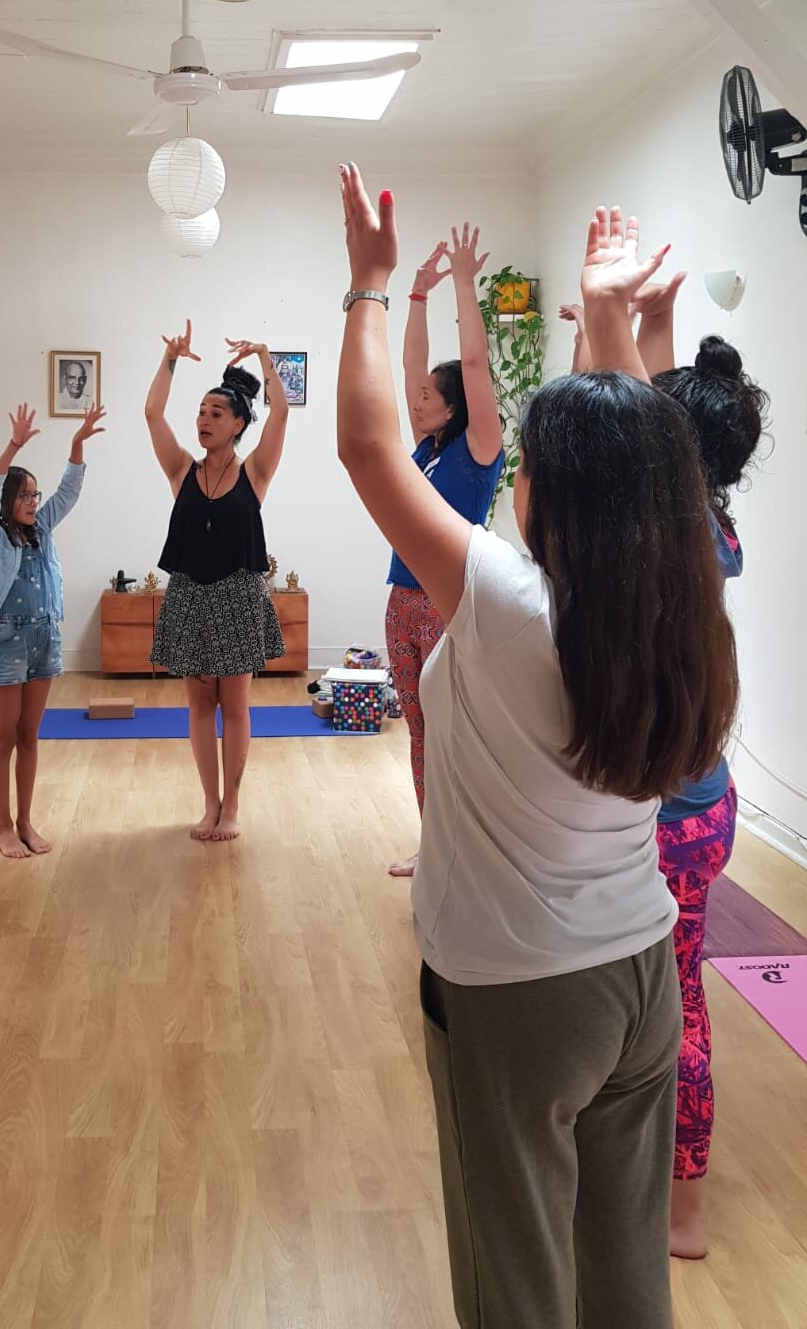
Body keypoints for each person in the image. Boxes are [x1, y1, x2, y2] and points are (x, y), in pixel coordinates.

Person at [337, 174, 739, 1329]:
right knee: (624, 1277)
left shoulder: (510, 605)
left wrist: (370, 283)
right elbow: (645, 467)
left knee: (516, 1287)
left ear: (546, 496)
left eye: (525, 467)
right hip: (640, 973)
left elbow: (367, 448)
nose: (513, 478)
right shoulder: (681, 595)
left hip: (520, 998)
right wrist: (606, 317)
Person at [627, 284, 767, 1261]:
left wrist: (621, 327)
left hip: (669, 818)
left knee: (671, 1009)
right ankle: (663, 1194)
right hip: (701, 804)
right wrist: (652, 320)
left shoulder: (661, 536)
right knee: (667, 996)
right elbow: (659, 417)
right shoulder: (709, 523)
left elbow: (641, 424)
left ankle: (682, 1211)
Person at [386, 226, 504, 877]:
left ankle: (469, 849)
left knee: (455, 731)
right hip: (403, 601)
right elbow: (411, 368)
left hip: (448, 604)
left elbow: (477, 368)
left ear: (457, 406)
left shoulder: (477, 451)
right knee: (420, 729)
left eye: (431, 393)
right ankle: (435, 844)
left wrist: (463, 284)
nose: (418, 396)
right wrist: (416, 295)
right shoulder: (426, 449)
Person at [145, 322, 288, 842]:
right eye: (201, 412)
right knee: (200, 706)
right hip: (189, 594)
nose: (203, 420)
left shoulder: (256, 472)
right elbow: (153, 414)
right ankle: (210, 803)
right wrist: (170, 360)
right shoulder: (182, 470)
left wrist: (266, 357)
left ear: (238, 423)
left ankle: (232, 807)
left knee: (236, 706)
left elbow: (282, 412)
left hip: (238, 596)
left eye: (215, 413)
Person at [0, 399, 106, 859]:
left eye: (34, 496)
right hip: (7, 639)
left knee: (29, 735)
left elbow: (69, 491)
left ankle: (24, 821)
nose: (32, 503)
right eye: (23, 496)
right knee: (4, 736)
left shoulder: (43, 526)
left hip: (44, 637)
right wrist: (13, 445)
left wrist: (77, 443)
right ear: (7, 502)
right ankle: (2, 826)